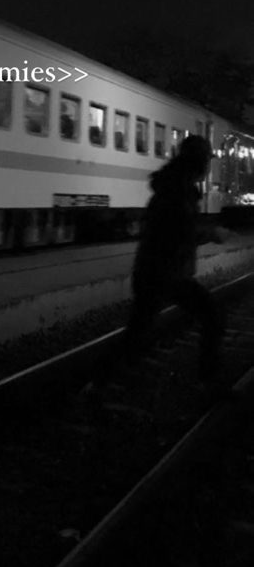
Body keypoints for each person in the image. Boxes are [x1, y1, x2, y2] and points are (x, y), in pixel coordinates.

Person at [90, 134, 227, 392]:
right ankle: (209, 380)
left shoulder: (175, 186)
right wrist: (212, 234)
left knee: (138, 332)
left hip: (159, 272)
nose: (208, 167)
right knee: (211, 316)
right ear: (198, 162)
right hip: (163, 274)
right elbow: (180, 231)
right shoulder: (177, 191)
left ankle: (100, 380)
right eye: (206, 161)